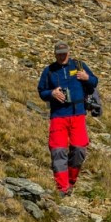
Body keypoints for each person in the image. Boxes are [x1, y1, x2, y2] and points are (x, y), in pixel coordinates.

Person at [37, 41, 99, 195]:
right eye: (59, 54)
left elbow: (95, 81)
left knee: (79, 149)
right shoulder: (49, 71)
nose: (61, 56)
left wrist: (87, 78)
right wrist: (51, 93)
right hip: (58, 115)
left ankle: (71, 180)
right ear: (54, 54)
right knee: (58, 151)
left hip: (78, 114)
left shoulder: (79, 65)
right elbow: (41, 91)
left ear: (69, 52)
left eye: (64, 53)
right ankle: (62, 188)